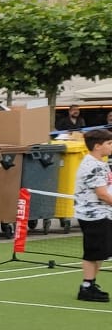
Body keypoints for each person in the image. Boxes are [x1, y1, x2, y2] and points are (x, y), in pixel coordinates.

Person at [76, 127, 112, 303]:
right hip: (94, 215)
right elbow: (102, 194)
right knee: (92, 253)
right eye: (109, 143)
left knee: (100, 252)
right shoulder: (93, 166)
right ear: (98, 146)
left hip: (102, 214)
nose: (111, 146)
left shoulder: (100, 163)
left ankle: (91, 283)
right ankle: (86, 287)